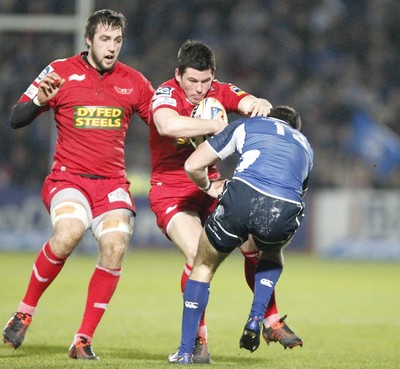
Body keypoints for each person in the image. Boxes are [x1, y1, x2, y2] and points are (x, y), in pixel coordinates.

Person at [2, 9, 155, 360]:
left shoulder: (134, 82)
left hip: (112, 183)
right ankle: (25, 310)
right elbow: (15, 117)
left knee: (115, 246)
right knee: (69, 233)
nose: (112, 47)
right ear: (88, 40)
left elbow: (160, 124)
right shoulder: (59, 72)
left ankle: (82, 339)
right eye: (105, 39)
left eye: (117, 40)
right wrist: (41, 99)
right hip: (68, 179)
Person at [148, 40, 302, 364]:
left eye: (206, 81)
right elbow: (165, 124)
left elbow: (252, 103)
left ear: (213, 76)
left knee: (253, 245)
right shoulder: (165, 94)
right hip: (172, 190)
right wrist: (216, 126)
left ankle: (270, 320)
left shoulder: (219, 90)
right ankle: (198, 341)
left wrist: (259, 104)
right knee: (197, 254)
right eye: (192, 81)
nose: (199, 89)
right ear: (178, 75)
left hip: (211, 185)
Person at [171, 105, 313, 364]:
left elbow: (193, 165)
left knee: (202, 266)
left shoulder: (248, 124)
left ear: (268, 118)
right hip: (285, 206)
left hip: (243, 195)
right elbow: (297, 190)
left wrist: (210, 187)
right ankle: (258, 317)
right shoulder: (305, 145)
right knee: (270, 251)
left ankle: (184, 352)